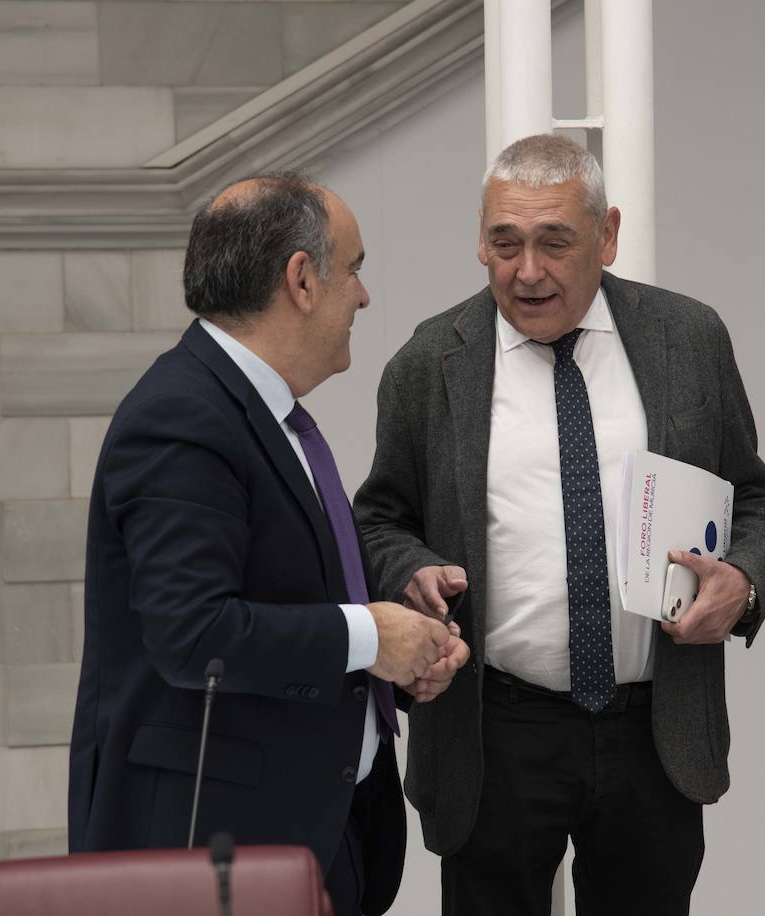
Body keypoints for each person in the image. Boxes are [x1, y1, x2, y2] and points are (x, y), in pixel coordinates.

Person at [354, 134, 765, 915]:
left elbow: (752, 500)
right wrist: (409, 570)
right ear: (479, 241)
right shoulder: (429, 363)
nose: (528, 271)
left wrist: (745, 585)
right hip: (496, 731)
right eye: (505, 244)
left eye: (555, 242)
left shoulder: (688, 340)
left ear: (608, 235)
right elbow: (381, 520)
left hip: (654, 728)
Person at [68, 171, 469, 916]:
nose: (364, 294)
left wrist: (394, 657)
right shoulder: (182, 417)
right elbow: (195, 634)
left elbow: (283, 599)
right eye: (353, 268)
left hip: (310, 833)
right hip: (213, 850)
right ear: (301, 280)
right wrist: (368, 634)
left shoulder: (262, 415)